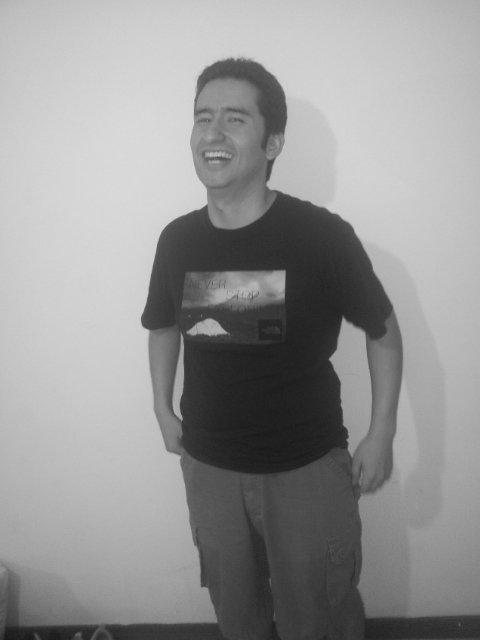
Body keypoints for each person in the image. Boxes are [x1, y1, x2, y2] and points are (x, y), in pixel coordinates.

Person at [141, 58, 403, 640]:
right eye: (203, 117)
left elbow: (383, 332)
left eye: (235, 119)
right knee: (239, 619)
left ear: (273, 143)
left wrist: (382, 431)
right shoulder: (176, 239)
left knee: (320, 619)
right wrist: (161, 407)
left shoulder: (321, 236)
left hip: (305, 469)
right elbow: (162, 327)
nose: (213, 132)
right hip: (209, 468)